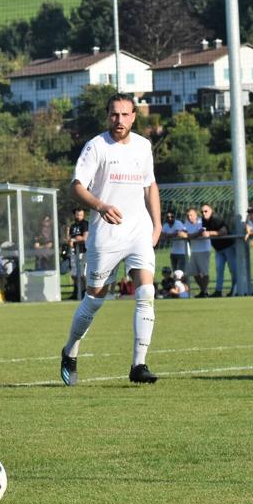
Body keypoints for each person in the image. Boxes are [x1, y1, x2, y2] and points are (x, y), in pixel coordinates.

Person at [60, 93, 160, 387]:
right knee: (94, 300)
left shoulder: (143, 146)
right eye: (114, 115)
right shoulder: (96, 146)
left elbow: (150, 185)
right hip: (106, 235)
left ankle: (138, 365)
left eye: (125, 114)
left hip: (138, 230)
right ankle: (70, 350)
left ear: (133, 117)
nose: (120, 120)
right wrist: (100, 206)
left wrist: (155, 227)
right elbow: (76, 186)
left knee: (146, 292)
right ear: (108, 116)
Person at [202, 204, 236, 297]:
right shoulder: (203, 221)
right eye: (202, 212)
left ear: (211, 211)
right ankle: (218, 291)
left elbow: (223, 231)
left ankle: (235, 289)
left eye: (206, 211)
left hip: (228, 247)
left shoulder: (216, 218)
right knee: (219, 269)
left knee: (233, 269)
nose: (204, 213)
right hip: (218, 249)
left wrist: (209, 233)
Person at [180, 207, 211, 297]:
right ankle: (203, 291)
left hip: (204, 250)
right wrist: (193, 235)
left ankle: (204, 292)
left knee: (204, 273)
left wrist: (189, 236)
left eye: (191, 215)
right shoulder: (187, 224)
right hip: (194, 251)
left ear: (196, 215)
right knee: (194, 272)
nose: (190, 217)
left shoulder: (201, 222)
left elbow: (201, 233)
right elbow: (181, 233)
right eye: (188, 215)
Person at [67, 207, 89, 300]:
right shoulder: (72, 226)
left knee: (83, 274)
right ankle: (76, 291)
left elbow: (85, 238)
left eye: (81, 214)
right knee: (74, 274)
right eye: (77, 214)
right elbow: (68, 238)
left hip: (83, 252)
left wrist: (74, 239)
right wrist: (71, 240)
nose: (79, 216)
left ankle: (86, 292)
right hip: (74, 252)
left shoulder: (85, 224)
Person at [161, 210, 187, 275]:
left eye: (171, 216)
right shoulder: (166, 225)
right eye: (168, 217)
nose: (170, 218)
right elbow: (162, 236)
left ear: (174, 217)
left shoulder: (178, 223)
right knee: (175, 273)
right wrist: (173, 234)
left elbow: (180, 233)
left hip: (182, 252)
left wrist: (168, 235)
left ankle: (184, 284)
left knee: (180, 273)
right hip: (173, 252)